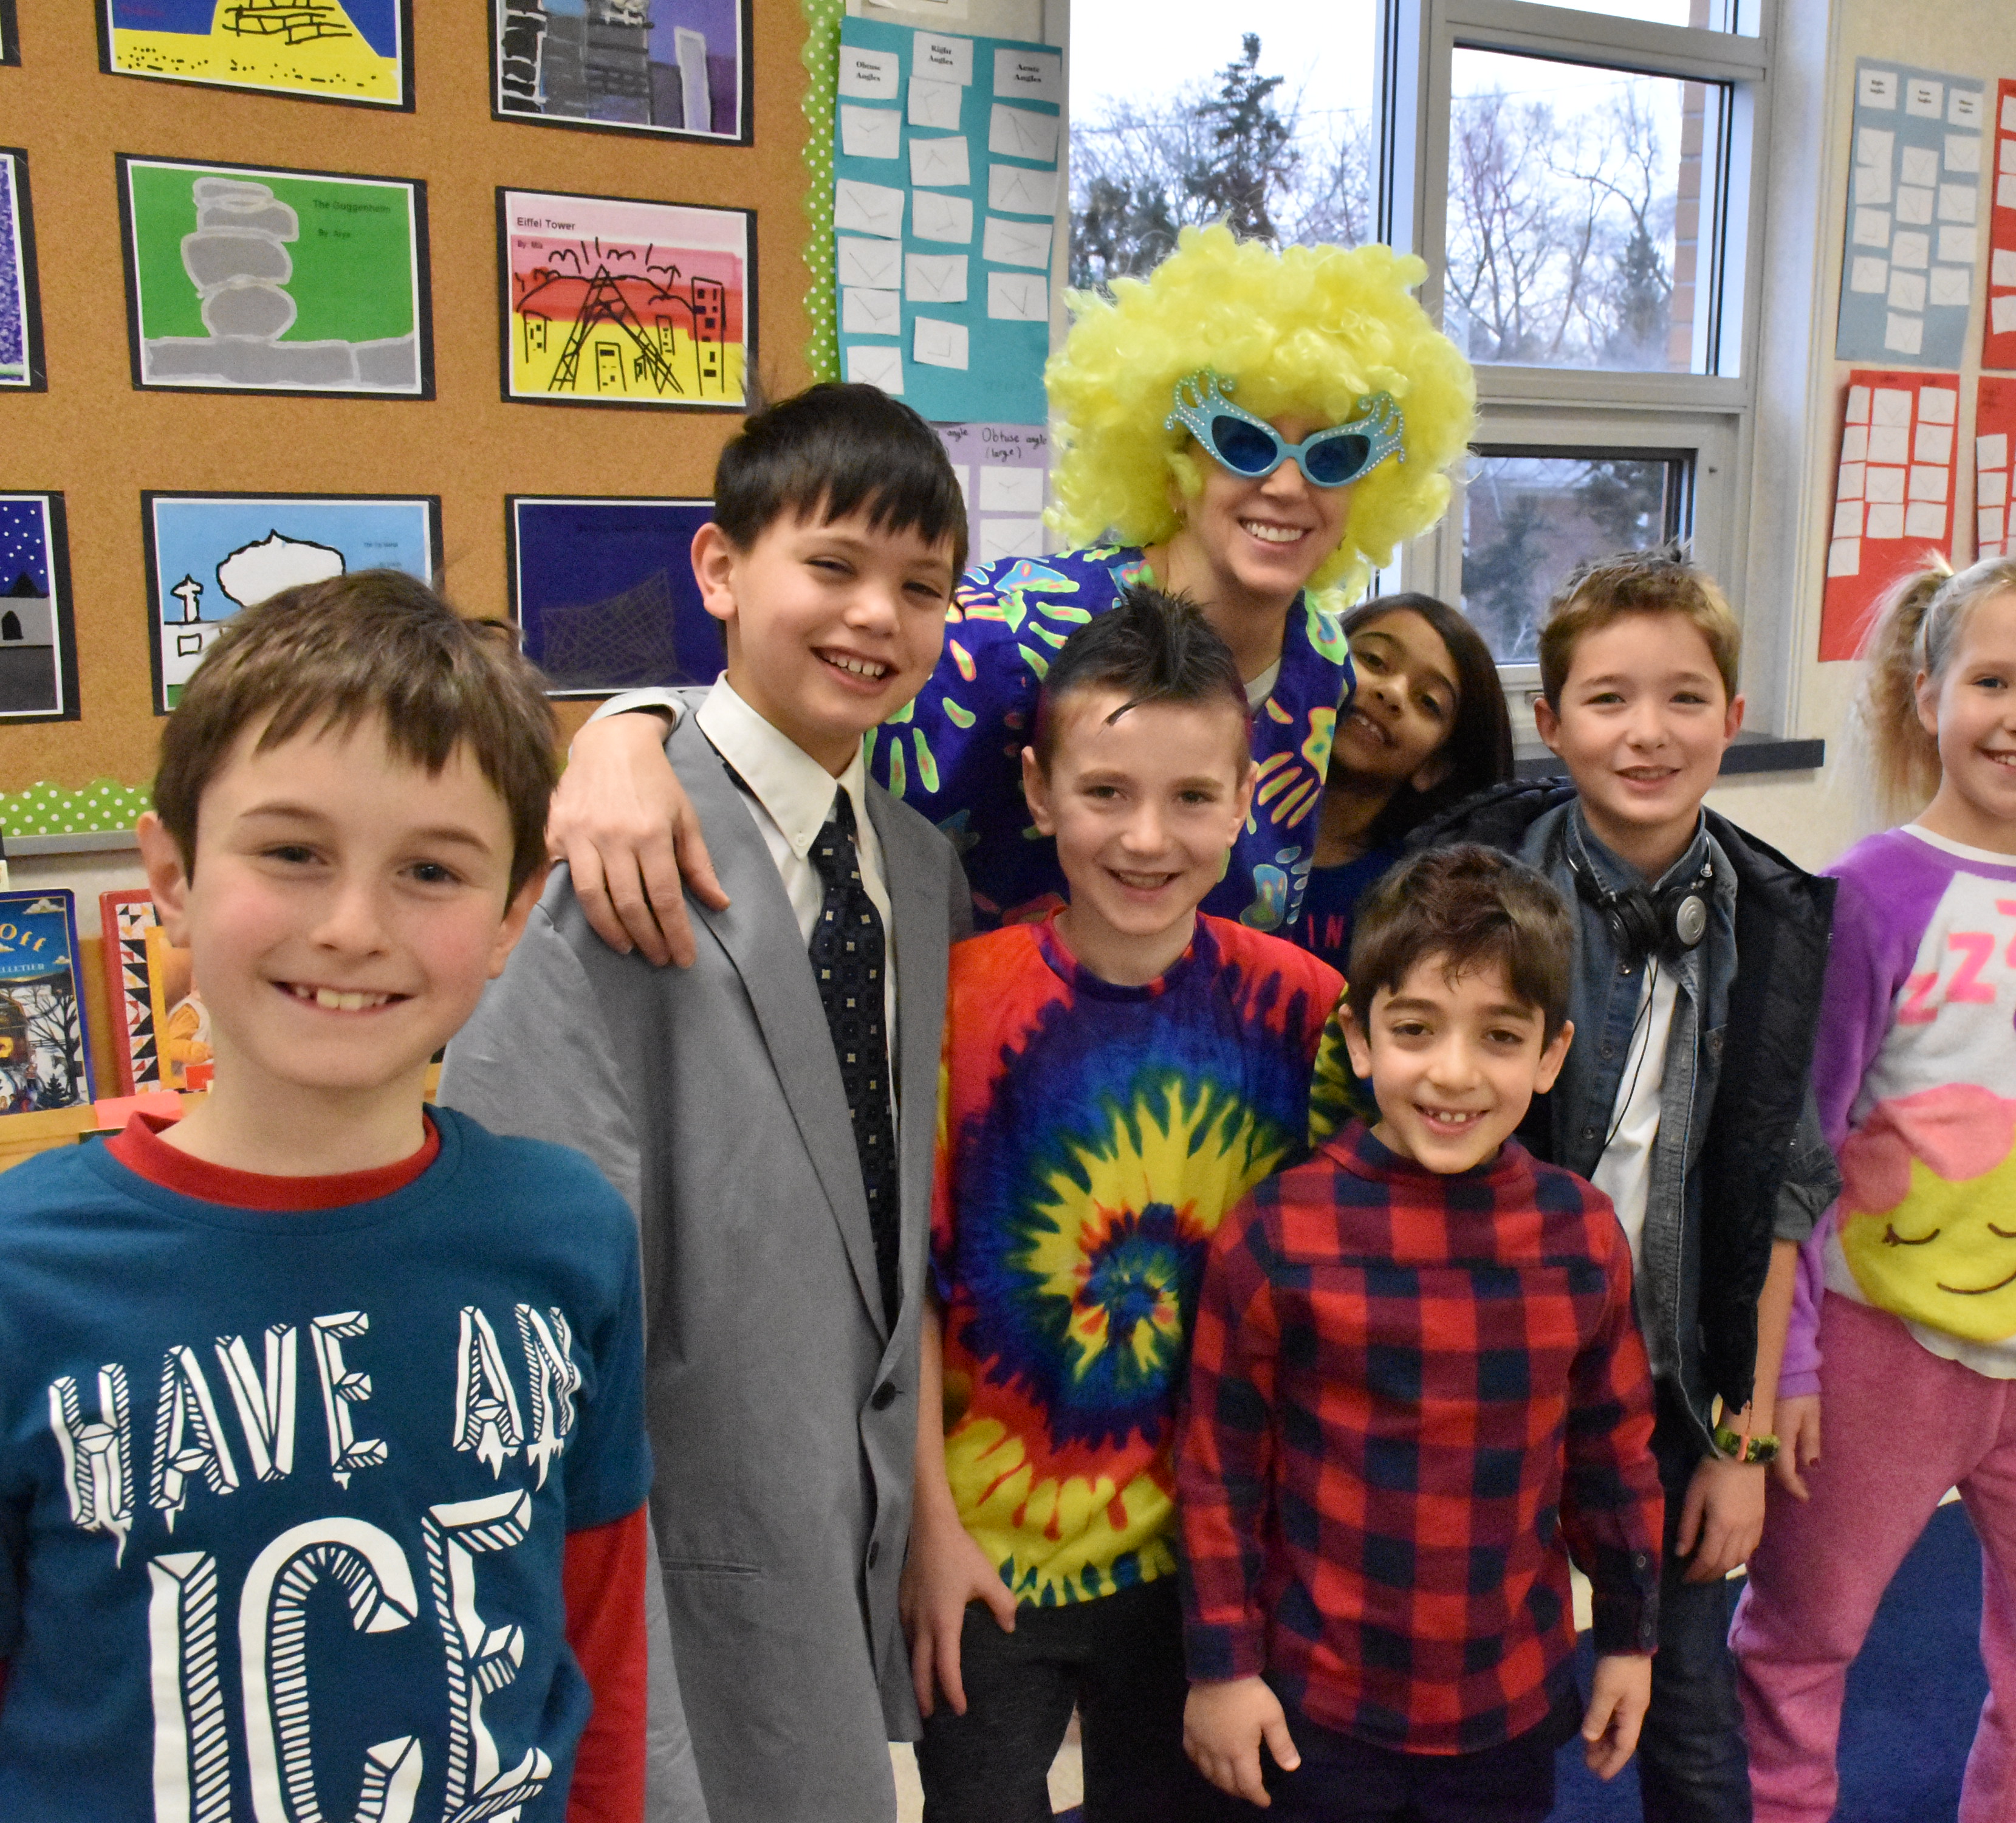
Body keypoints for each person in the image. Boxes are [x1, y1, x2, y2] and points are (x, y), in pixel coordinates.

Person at [0, 576, 652, 1821]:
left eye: (431, 870)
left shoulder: (567, 1237)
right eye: (294, 853)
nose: (354, 927)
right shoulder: (26, 1270)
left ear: (514, 915)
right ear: (172, 874)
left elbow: (596, 1653)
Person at [439, 383, 972, 1822]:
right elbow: (527, 1290)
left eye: (921, 586)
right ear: (720, 568)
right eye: (833, 565)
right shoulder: (614, 845)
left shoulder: (916, 869)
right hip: (669, 1551)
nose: (876, 616)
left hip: (846, 1531)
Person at [546, 225, 1477, 958]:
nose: (1286, 485)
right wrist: (627, 732)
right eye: (1242, 442)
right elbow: (795, 725)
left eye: (1336, 455)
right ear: (1172, 462)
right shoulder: (1009, 632)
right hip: (974, 1078)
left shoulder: (1321, 661)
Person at [1732, 550, 2016, 1823]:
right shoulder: (1871, 895)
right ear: (1927, 696)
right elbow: (1795, 1146)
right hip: (1884, 1355)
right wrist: (1789, 1366)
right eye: (1991, 682)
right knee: (1804, 1637)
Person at [1408, 548, 1835, 1823]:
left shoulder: (1778, 920)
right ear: (1550, 722)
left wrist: (1739, 1441)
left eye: (1684, 698)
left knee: (1690, 1705)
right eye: (1607, 699)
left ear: (1732, 716)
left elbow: (1777, 1197)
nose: (1647, 733)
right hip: (1486, 1385)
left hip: (1674, 1382)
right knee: (1473, 1704)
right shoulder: (1465, 892)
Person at [909, 587, 1346, 1822]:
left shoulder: (1309, 1015)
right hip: (988, 1554)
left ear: (1245, 798)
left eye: (1192, 797)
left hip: (1210, 1565)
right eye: (1105, 791)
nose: (1147, 839)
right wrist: (929, 1532)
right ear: (1040, 792)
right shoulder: (948, 1011)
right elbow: (904, 1302)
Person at [1180, 844, 1666, 1821]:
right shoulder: (1278, 1234)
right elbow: (1219, 1476)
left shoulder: (1580, 1235)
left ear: (1550, 1055)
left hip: (1506, 1702)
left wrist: (1628, 1636)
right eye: (1415, 1029)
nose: (1453, 1073)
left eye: (1499, 1036)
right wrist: (1221, 1669)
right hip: (1319, 1706)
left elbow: (1612, 1458)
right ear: (1359, 1040)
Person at [1291, 592, 1516, 973]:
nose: (1392, 692)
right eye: (1374, 660)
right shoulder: (1221, 828)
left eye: (1428, 702)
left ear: (1436, 767)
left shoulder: (1420, 900)